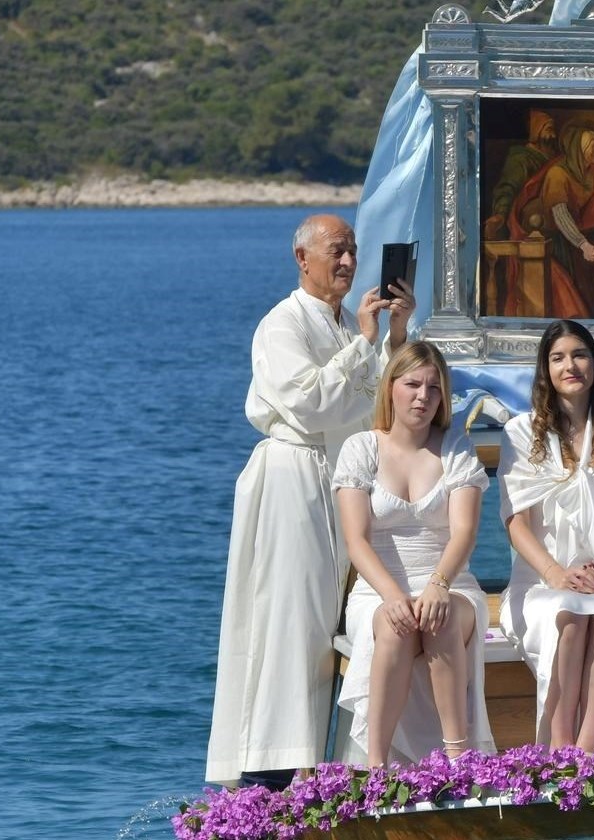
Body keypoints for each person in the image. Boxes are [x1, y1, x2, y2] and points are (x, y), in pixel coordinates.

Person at [207, 214, 414, 788]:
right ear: (302, 258)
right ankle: (270, 771)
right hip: (293, 477)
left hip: (343, 481)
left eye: (353, 251)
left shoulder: (349, 323)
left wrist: (395, 336)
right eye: (336, 251)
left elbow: (379, 401)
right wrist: (365, 344)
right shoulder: (282, 323)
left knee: (331, 625)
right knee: (289, 619)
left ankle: (321, 769)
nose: (348, 262)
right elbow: (309, 405)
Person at [332, 342, 496, 765]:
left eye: (434, 388)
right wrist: (392, 596)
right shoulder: (361, 449)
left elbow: (465, 533)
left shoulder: (456, 448)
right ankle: (377, 764)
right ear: (391, 387)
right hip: (377, 588)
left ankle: (458, 757)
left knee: (441, 617)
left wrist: (438, 585)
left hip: (450, 582)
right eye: (413, 385)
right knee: (394, 626)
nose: (423, 396)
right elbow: (357, 541)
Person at [499, 320, 594, 753]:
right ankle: (560, 748)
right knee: (569, 613)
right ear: (545, 369)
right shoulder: (521, 433)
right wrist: (556, 574)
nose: (570, 366)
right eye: (558, 357)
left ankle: (588, 750)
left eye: (580, 355)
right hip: (541, 582)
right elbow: (516, 521)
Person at [506, 124, 594, 318]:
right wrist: (584, 245)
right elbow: (561, 215)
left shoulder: (593, 170)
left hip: (583, 243)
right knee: (571, 298)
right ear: (580, 149)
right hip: (561, 244)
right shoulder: (558, 174)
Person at [485, 110, 558, 240]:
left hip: (552, 223)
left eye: (553, 131)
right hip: (529, 225)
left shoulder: (552, 159)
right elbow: (507, 187)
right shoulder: (521, 159)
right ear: (536, 131)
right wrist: (500, 214)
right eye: (549, 130)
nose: (553, 136)